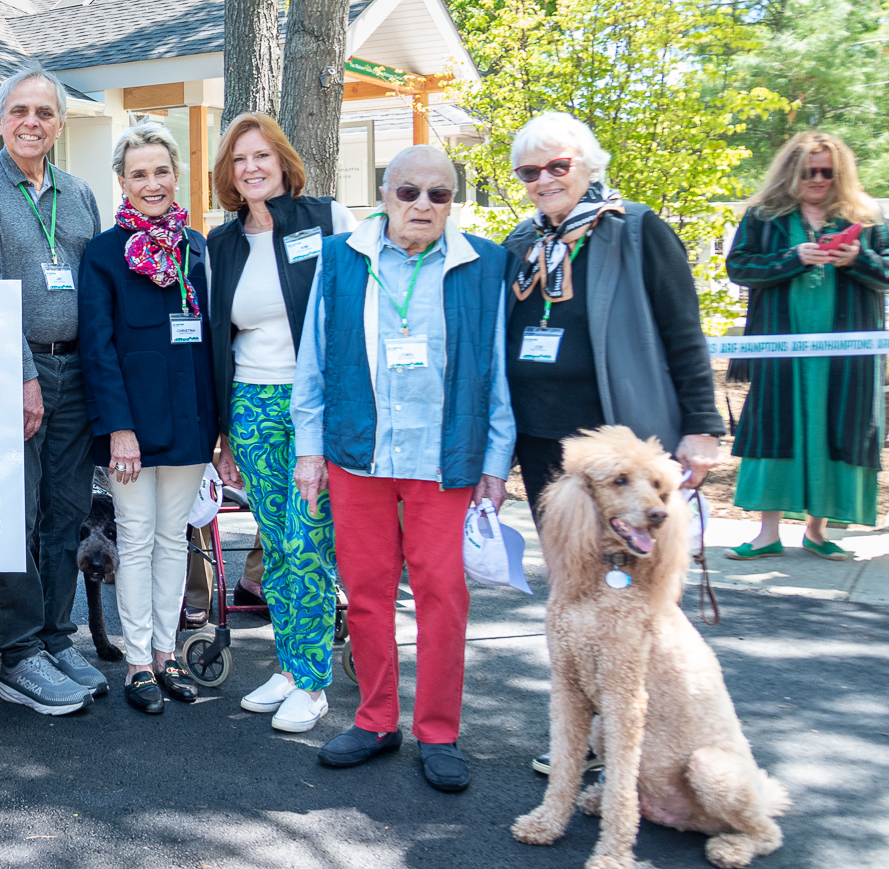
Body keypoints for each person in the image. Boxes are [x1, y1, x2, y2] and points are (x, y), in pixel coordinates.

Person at [502, 112, 725, 777]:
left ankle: (647, 740)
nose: (544, 180)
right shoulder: (524, 243)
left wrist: (703, 426)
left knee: (628, 600)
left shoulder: (636, 230)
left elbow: (684, 330)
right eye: (530, 172)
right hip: (549, 455)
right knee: (573, 597)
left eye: (557, 166)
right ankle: (584, 735)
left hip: (622, 451)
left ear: (589, 165)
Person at [291, 145, 515, 793]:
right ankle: (375, 719)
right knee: (365, 593)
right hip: (360, 452)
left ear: (453, 203)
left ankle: (439, 732)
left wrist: (496, 464)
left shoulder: (484, 264)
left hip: (444, 459)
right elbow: (314, 363)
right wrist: (310, 452)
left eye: (438, 195)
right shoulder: (341, 259)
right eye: (408, 192)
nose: (422, 205)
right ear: (384, 193)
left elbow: (494, 372)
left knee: (444, 599)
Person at [0, 62, 106, 715]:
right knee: (16, 512)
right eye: (20, 111)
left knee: (66, 511)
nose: (31, 123)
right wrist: (20, 376)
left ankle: (55, 635)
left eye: (44, 113)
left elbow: (96, 287)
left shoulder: (80, 194)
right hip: (16, 372)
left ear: (61, 124)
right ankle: (18, 654)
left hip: (78, 369)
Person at [204, 112, 356, 734]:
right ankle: (291, 669)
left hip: (313, 403)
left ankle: (315, 683)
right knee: (276, 542)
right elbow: (217, 339)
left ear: (283, 161)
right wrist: (220, 429)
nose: (252, 167)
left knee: (306, 543)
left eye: (262, 155)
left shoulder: (327, 221)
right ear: (228, 174)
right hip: (252, 404)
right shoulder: (222, 244)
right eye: (240, 159)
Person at [77, 122, 216, 715]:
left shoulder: (197, 248)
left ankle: (167, 655)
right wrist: (119, 430)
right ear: (122, 181)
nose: (151, 183)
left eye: (161, 171)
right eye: (139, 173)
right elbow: (98, 348)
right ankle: (137, 661)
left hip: (188, 418)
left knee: (171, 538)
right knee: (134, 540)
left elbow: (212, 341)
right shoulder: (104, 254)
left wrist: (218, 427)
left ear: (176, 175)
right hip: (131, 425)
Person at [726, 131, 887, 561]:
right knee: (776, 425)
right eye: (809, 171)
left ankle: (818, 531)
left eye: (827, 172)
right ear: (791, 171)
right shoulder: (764, 216)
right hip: (781, 346)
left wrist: (858, 259)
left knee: (832, 426)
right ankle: (766, 534)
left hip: (846, 352)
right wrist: (792, 257)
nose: (818, 179)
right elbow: (738, 267)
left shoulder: (866, 217)